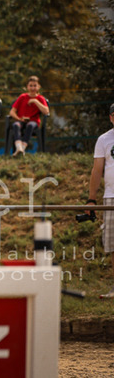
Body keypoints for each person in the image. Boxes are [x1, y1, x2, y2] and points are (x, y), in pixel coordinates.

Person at [87, 103, 114, 298]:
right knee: (113, 246)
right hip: (111, 197)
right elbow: (97, 170)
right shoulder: (104, 139)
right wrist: (91, 199)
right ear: (111, 118)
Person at [8, 76, 49, 156]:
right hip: (21, 121)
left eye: (35, 85)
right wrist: (19, 118)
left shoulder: (40, 98)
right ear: (27, 86)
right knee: (16, 125)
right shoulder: (22, 97)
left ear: (38, 87)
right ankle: (19, 148)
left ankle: (22, 149)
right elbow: (12, 112)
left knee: (30, 125)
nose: (33, 88)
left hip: (33, 122)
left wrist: (35, 101)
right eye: (31, 85)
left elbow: (46, 112)